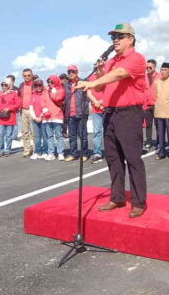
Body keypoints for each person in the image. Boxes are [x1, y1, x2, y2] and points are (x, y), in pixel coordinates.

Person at [76, 22, 148, 218]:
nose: (115, 40)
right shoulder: (111, 62)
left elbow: (119, 74)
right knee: (113, 157)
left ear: (130, 39)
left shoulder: (137, 58)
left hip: (129, 114)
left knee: (132, 159)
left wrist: (92, 81)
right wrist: (99, 73)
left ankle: (138, 201)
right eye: (113, 37)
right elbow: (100, 88)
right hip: (110, 113)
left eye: (120, 36)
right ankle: (117, 197)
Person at [64, 65, 90, 162]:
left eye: (73, 71)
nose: (71, 73)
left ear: (77, 72)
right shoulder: (66, 85)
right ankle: (73, 154)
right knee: (72, 136)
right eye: (69, 72)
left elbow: (90, 94)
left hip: (81, 113)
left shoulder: (83, 82)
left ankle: (85, 153)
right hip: (70, 114)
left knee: (83, 136)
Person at [0, 78, 20, 157]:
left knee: (9, 135)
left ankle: (8, 149)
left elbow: (18, 104)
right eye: (2, 85)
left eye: (5, 85)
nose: (3, 86)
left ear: (9, 85)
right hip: (0, 118)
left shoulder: (13, 94)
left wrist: (9, 108)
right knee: (0, 134)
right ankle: (1, 150)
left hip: (10, 117)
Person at [86, 59, 105, 164]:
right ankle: (97, 152)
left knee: (109, 132)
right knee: (97, 132)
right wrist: (96, 102)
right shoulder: (91, 78)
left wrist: (102, 102)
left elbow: (109, 92)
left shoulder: (106, 77)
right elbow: (89, 93)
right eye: (97, 66)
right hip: (96, 109)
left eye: (100, 66)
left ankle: (112, 151)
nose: (98, 68)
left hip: (106, 108)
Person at [44, 75, 66, 161]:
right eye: (48, 82)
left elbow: (57, 98)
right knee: (49, 136)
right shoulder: (46, 91)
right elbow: (43, 101)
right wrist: (45, 109)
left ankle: (60, 153)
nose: (50, 84)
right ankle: (51, 153)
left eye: (51, 82)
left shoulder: (60, 90)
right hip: (47, 117)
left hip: (57, 116)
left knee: (58, 136)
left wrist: (53, 89)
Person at [29, 79, 48, 160]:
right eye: (36, 85)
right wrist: (35, 117)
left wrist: (41, 116)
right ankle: (37, 152)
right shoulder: (33, 95)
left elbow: (47, 107)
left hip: (44, 118)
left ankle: (45, 152)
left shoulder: (45, 94)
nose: (38, 87)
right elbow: (31, 108)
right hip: (35, 119)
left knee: (45, 136)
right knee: (37, 137)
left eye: (40, 85)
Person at [144, 59, 161, 150]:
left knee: (158, 124)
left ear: (155, 67)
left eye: (150, 67)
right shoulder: (144, 77)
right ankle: (149, 141)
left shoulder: (160, 76)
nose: (148, 69)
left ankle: (159, 141)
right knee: (148, 125)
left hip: (157, 105)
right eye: (147, 67)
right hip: (147, 105)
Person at [18, 68, 35, 157]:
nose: (27, 77)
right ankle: (27, 149)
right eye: (25, 75)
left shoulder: (35, 84)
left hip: (33, 110)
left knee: (34, 132)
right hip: (23, 110)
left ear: (32, 75)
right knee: (24, 131)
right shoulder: (21, 85)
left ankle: (36, 149)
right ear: (22, 76)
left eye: (28, 75)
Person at [6, 75, 20, 141]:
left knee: (15, 122)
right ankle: (8, 135)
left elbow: (20, 98)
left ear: (13, 81)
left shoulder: (17, 89)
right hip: (6, 109)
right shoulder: (5, 88)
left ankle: (15, 136)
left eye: (10, 80)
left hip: (15, 109)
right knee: (7, 122)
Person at [59, 73, 70, 139]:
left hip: (68, 105)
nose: (62, 80)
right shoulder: (59, 87)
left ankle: (69, 132)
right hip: (61, 106)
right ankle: (63, 132)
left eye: (63, 79)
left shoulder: (68, 86)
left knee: (68, 120)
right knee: (63, 120)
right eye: (61, 79)